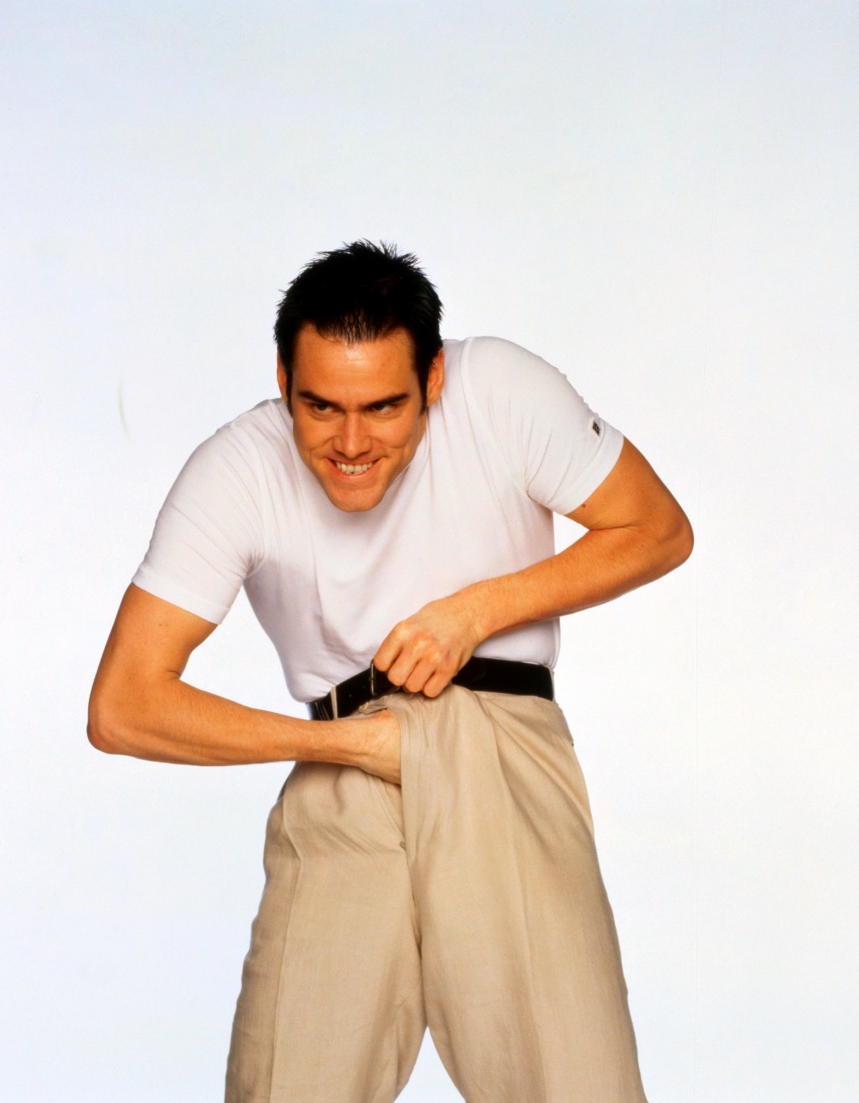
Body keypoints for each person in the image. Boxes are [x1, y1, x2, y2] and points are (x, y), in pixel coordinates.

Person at [88, 240, 693, 1103]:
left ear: (433, 378)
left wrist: (473, 612)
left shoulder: (500, 389)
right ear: (283, 378)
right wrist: (348, 746)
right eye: (320, 406)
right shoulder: (238, 467)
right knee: (288, 1083)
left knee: (569, 1081)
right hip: (343, 758)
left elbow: (657, 529)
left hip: (496, 748)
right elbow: (123, 705)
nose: (351, 442)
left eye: (383, 407)